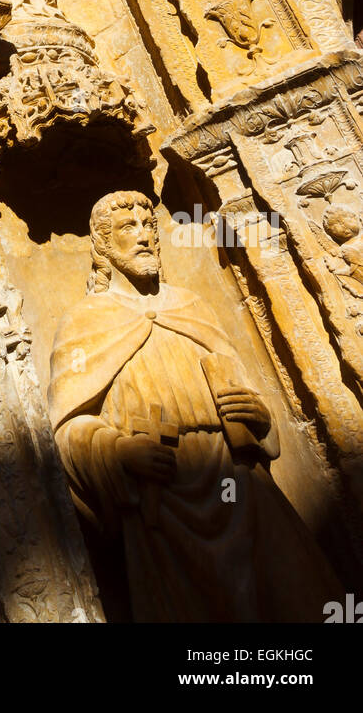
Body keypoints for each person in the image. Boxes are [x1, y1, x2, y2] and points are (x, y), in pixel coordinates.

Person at [48, 189, 342, 620]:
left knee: (292, 592)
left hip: (237, 477)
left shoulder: (190, 305)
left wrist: (257, 415)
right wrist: (116, 450)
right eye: (129, 227)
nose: (145, 236)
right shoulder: (86, 321)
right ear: (104, 246)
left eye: (149, 225)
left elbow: (251, 398)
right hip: (161, 492)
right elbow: (67, 427)